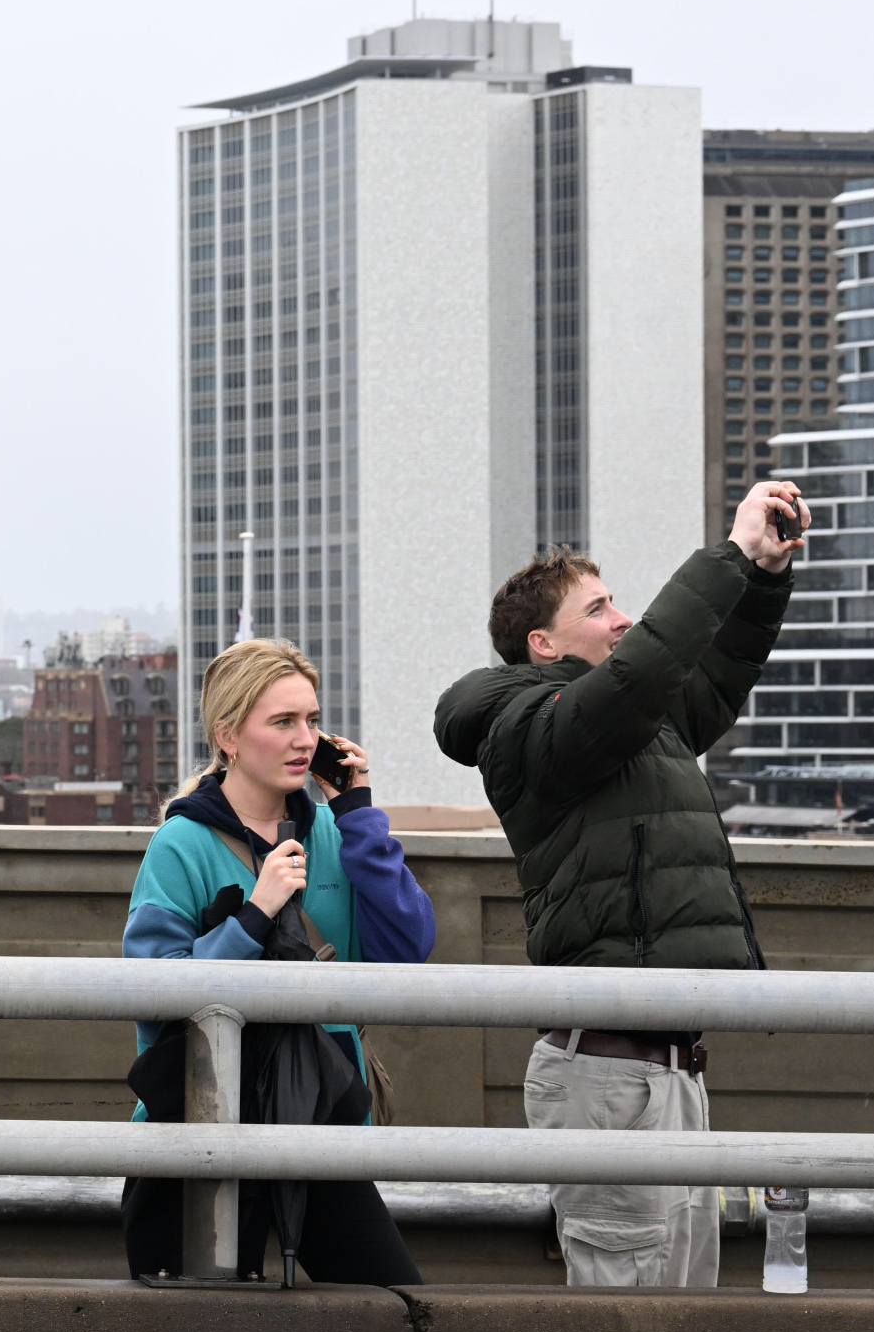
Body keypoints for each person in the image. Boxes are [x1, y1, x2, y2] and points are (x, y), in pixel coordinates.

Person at [434, 480, 809, 1288]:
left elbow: (708, 679)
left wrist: (765, 578)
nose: (623, 619)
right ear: (544, 644)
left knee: (684, 1327)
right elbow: (642, 673)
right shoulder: (530, 731)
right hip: (606, 1076)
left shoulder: (640, 729)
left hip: (671, 1069)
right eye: (600, 608)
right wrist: (729, 555)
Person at [122, 639, 436, 1285]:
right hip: (201, 1131)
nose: (305, 739)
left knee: (394, 1309)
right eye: (284, 722)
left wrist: (360, 816)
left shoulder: (334, 832)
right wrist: (254, 917)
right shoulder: (180, 845)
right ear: (229, 737)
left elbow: (409, 948)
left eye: (313, 721)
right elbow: (152, 995)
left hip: (316, 1122)